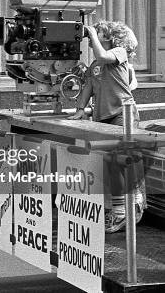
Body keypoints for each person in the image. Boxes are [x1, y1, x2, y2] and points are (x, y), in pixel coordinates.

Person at [68, 20, 144, 233]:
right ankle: (125, 206)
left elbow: (103, 55)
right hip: (103, 118)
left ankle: (125, 210)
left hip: (123, 114)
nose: (94, 33)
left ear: (111, 37)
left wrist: (90, 33)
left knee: (120, 161)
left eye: (99, 31)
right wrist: (81, 109)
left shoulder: (119, 52)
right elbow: (88, 88)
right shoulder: (95, 66)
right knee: (112, 163)